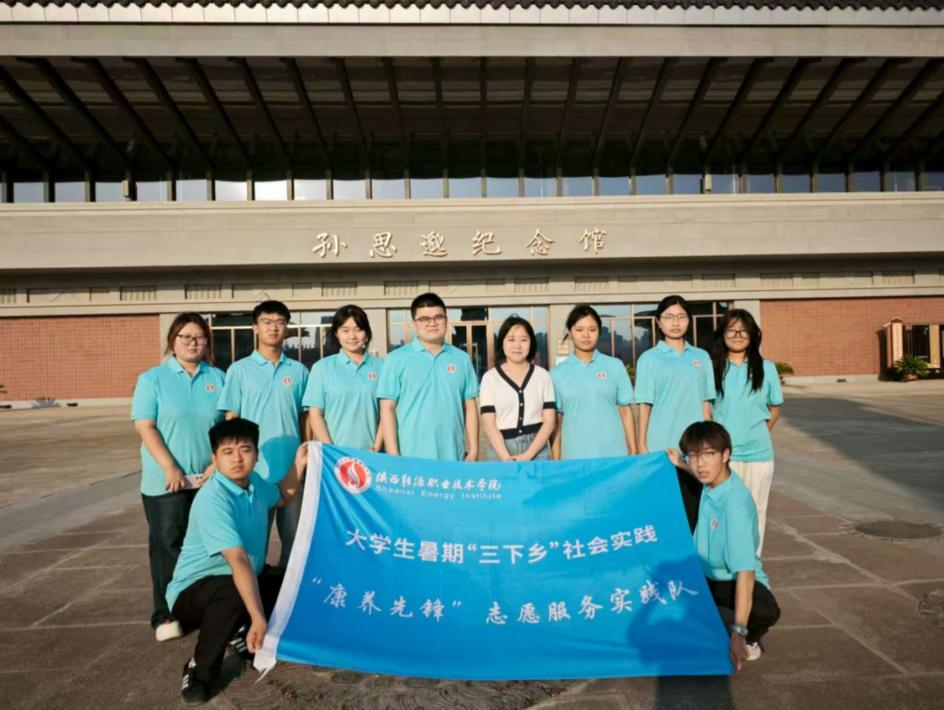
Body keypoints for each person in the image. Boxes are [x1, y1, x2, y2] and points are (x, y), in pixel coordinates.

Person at [166, 418, 308, 704]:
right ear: (214, 458)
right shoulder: (213, 499)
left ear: (256, 454)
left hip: (239, 579)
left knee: (291, 583)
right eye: (228, 452)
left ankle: (239, 631)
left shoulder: (254, 483)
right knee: (233, 591)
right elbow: (238, 560)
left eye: (245, 450)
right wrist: (258, 618)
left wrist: (300, 463)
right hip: (192, 594)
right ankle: (199, 670)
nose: (237, 459)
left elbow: (282, 496)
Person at [131, 312, 225, 643]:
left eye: (199, 337)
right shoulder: (152, 379)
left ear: (207, 342)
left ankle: (202, 606)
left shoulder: (218, 377)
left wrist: (218, 462)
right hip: (166, 482)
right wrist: (170, 466)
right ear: (173, 341)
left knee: (207, 545)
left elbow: (226, 424)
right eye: (185, 336)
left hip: (208, 479)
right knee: (167, 546)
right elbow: (145, 426)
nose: (192, 342)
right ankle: (166, 612)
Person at [673, 421, 781, 671]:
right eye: (694, 455)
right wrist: (680, 463)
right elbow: (697, 474)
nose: (701, 464)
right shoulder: (712, 481)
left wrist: (739, 633)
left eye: (709, 454)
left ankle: (750, 638)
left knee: (764, 610)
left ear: (725, 455)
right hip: (702, 574)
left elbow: (745, 574)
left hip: (729, 581)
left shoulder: (735, 505)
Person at [217, 300, 308, 569]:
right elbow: (231, 419)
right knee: (254, 545)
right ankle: (254, 591)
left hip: (292, 470)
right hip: (254, 473)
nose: (273, 328)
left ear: (286, 328)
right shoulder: (239, 370)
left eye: (280, 322)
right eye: (267, 322)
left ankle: (288, 592)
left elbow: (305, 418)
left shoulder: (299, 371)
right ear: (256, 327)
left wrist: (307, 457)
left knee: (295, 544)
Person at [635, 295, 715, 528]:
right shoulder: (649, 359)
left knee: (695, 512)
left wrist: (709, 445)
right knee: (663, 515)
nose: (676, 322)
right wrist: (642, 445)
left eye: (681, 316)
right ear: (658, 322)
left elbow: (706, 405)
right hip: (661, 447)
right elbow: (644, 406)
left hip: (695, 449)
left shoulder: (701, 357)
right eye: (669, 317)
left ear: (689, 320)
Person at [709, 309, 783, 553]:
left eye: (743, 330)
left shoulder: (766, 368)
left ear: (752, 335)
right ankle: (728, 560)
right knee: (725, 511)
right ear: (722, 334)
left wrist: (759, 431)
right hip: (724, 456)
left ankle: (752, 562)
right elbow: (707, 408)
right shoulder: (713, 368)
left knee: (756, 509)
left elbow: (775, 408)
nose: (738, 335)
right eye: (731, 330)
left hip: (759, 454)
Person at [376, 292, 479, 461]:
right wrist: (393, 454)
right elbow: (387, 409)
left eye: (438, 317)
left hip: (453, 456)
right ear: (414, 323)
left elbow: (470, 407)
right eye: (424, 319)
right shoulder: (396, 359)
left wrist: (473, 450)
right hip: (409, 458)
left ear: (446, 320)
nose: (432, 323)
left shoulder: (462, 359)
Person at [550, 304, 636, 460]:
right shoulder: (557, 374)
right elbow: (557, 422)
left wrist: (633, 451)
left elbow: (626, 411)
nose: (586, 335)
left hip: (614, 454)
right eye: (579, 330)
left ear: (599, 332)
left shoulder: (615, 366)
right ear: (569, 333)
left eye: (592, 329)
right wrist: (556, 462)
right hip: (574, 456)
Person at [303, 305, 383, 451]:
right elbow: (315, 415)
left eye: (358, 329)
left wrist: (376, 448)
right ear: (336, 333)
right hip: (334, 456)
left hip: (373, 455)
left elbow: (386, 414)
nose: (352, 336)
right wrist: (333, 451)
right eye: (345, 330)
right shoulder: (322, 368)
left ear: (366, 333)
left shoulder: (382, 367)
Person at [480, 315, 556, 461]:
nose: (517, 346)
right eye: (511, 340)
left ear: (531, 343)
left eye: (523, 340)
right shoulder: (490, 378)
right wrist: (506, 458)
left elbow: (549, 421)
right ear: (502, 343)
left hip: (537, 449)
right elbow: (489, 425)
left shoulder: (543, 376)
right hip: (500, 450)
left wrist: (528, 455)